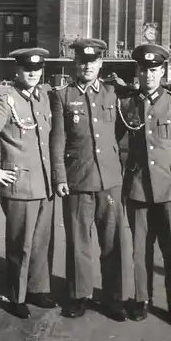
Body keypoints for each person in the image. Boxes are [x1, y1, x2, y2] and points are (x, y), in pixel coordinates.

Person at [0, 48, 57, 319]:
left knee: (42, 243)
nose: (33, 73)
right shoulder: (5, 100)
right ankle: (16, 296)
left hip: (44, 185)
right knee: (21, 245)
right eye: (28, 69)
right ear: (17, 70)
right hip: (19, 186)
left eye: (38, 69)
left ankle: (38, 289)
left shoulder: (44, 97)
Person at [116, 43, 171, 328]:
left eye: (154, 69)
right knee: (140, 249)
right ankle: (142, 299)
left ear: (163, 71)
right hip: (138, 185)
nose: (148, 74)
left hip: (170, 188)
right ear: (137, 71)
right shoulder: (126, 102)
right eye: (143, 69)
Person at [50, 38, 129, 321]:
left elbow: (122, 126)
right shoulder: (62, 95)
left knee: (113, 242)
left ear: (100, 63)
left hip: (109, 179)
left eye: (93, 61)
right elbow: (57, 139)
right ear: (75, 63)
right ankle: (78, 295)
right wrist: (59, 176)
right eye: (83, 61)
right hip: (77, 179)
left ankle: (114, 298)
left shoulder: (113, 91)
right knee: (78, 242)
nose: (87, 66)